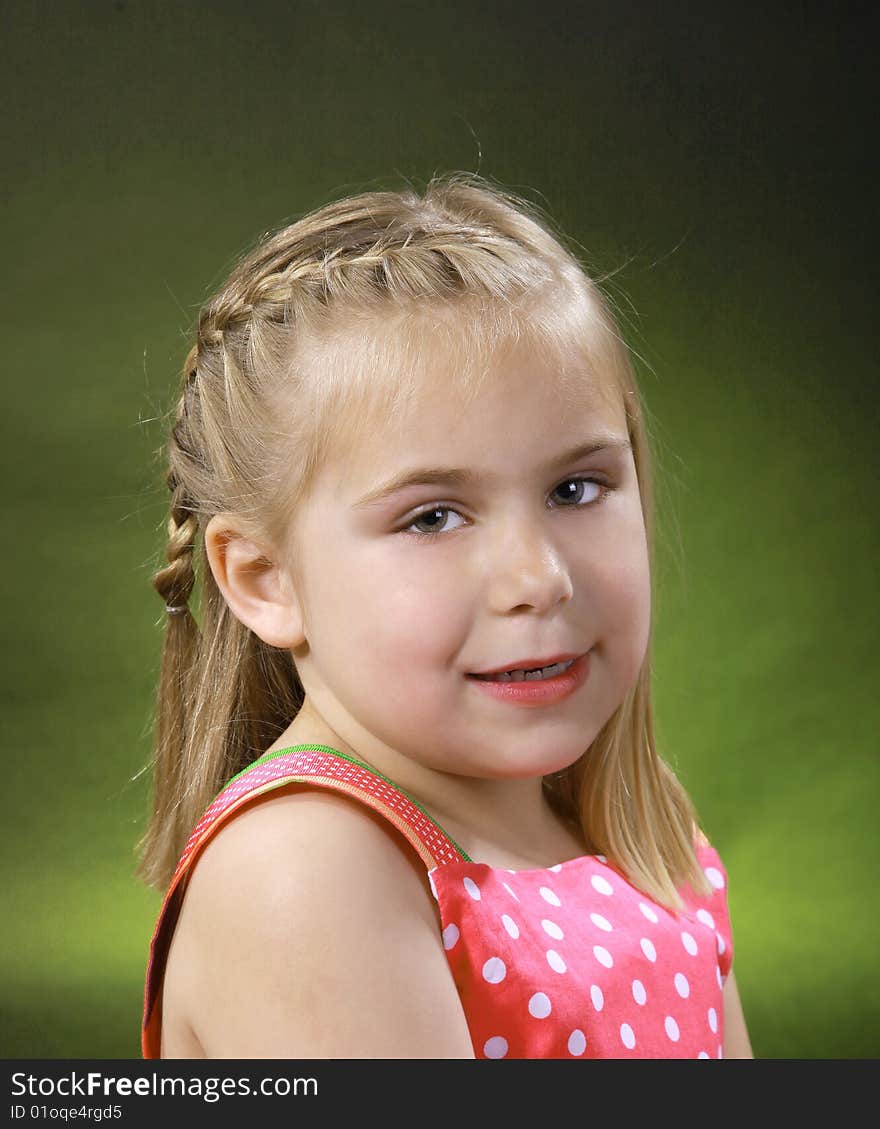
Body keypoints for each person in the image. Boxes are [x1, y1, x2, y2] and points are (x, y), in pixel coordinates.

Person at [138, 172, 753, 1060]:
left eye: (576, 488)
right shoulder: (306, 872)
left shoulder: (641, 820)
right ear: (266, 578)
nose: (538, 578)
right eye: (432, 516)